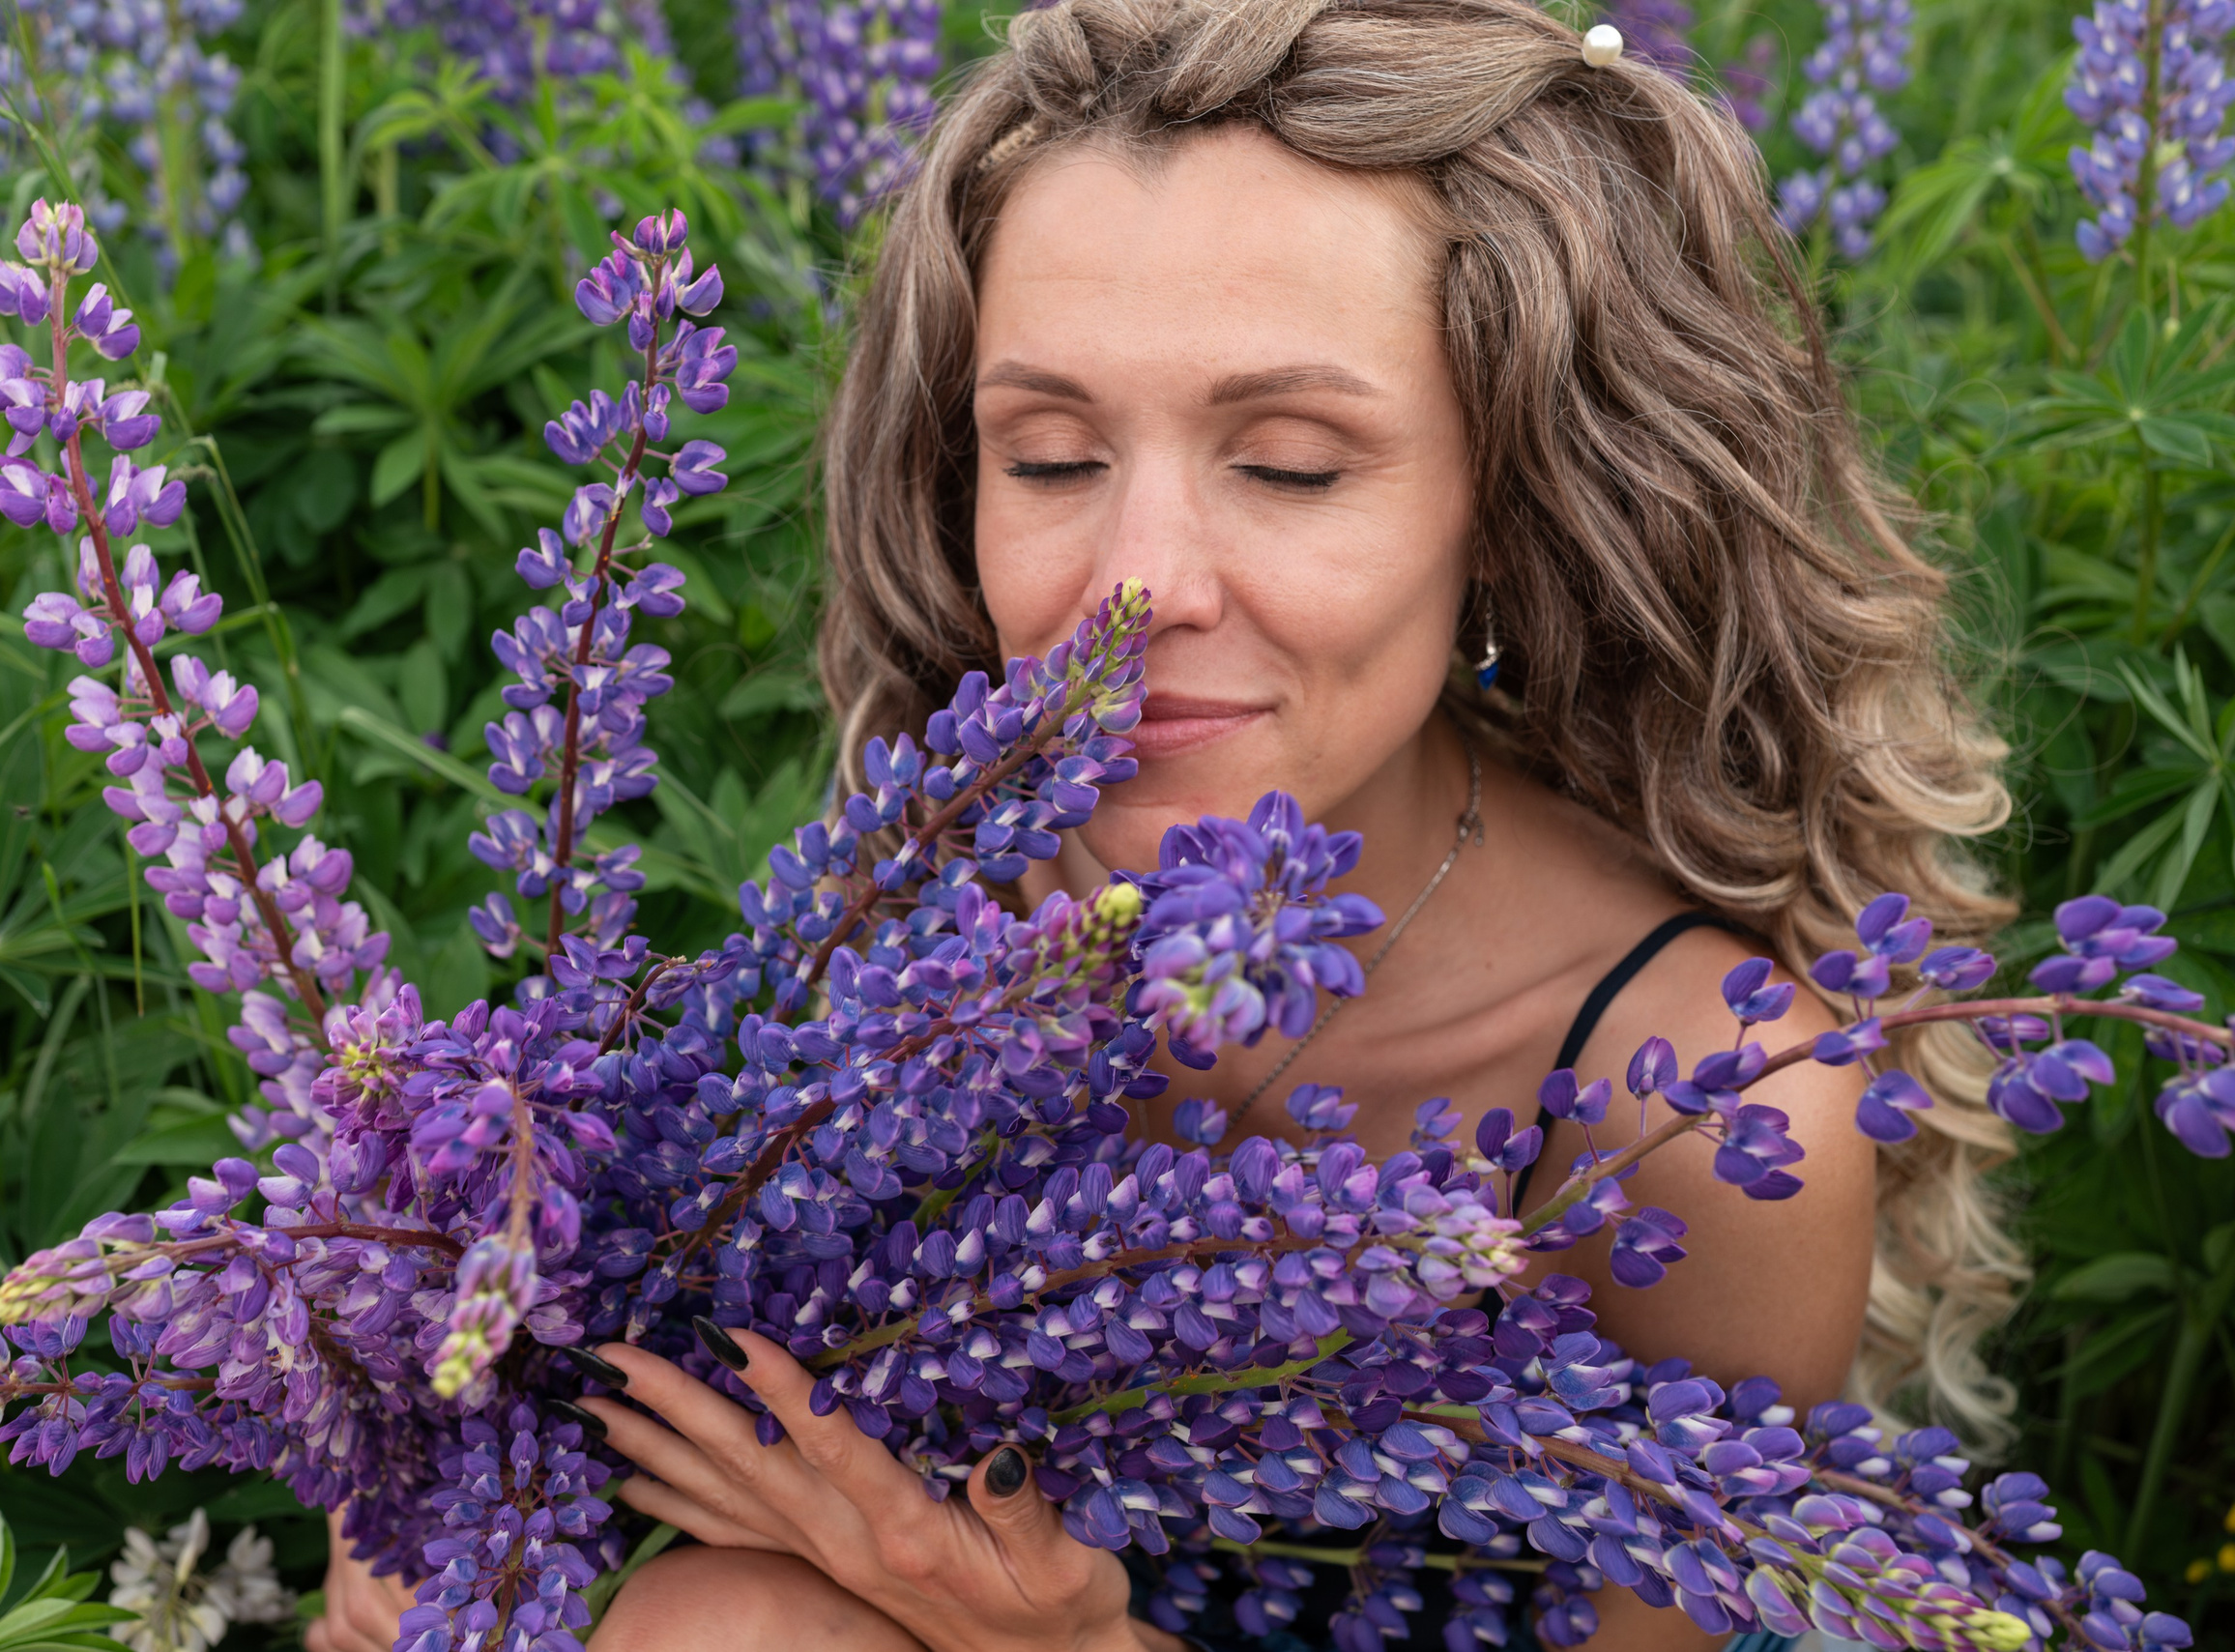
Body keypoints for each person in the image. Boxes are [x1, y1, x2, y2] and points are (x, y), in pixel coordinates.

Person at [307, 0, 2024, 1647]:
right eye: (1049, 458)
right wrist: (455, 1478)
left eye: (1287, 464)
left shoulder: (1710, 1090)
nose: (1135, 588)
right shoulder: (914, 918)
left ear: (1509, 503)